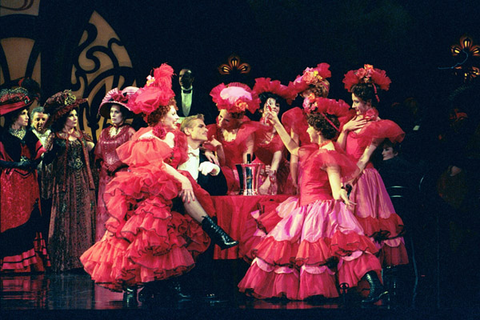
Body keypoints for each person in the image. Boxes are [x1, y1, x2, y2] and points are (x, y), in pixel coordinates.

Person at [80, 64, 238, 307]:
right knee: (141, 236)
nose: (177, 117)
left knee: (169, 234)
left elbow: (180, 162)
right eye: (173, 113)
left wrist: (195, 171)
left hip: (167, 191)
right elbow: (155, 164)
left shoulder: (175, 136)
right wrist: (182, 177)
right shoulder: (147, 135)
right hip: (148, 190)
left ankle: (210, 236)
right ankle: (133, 285)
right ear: (162, 115)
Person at [238, 97, 387, 303]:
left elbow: (335, 187)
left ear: (317, 130)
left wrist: (342, 194)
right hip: (305, 206)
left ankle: (373, 286)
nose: (306, 131)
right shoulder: (315, 150)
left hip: (319, 208)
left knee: (340, 250)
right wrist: (277, 122)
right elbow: (292, 149)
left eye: (309, 127)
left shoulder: (328, 153)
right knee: (300, 249)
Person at [338, 64, 409, 268]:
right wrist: (344, 130)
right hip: (348, 174)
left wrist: (350, 182)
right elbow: (340, 151)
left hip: (363, 178)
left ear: (368, 102)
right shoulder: (352, 120)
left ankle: (373, 274)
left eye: (356, 102)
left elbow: (364, 157)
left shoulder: (377, 124)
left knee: (369, 225)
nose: (353, 106)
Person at [42, 90, 96, 272]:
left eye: (75, 115)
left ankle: (84, 260)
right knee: (66, 218)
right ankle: (66, 261)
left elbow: (91, 155)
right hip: (65, 183)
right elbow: (47, 162)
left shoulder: (81, 136)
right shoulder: (55, 138)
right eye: (70, 115)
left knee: (83, 219)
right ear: (63, 118)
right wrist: (51, 152)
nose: (74, 118)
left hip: (82, 179)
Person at [0, 87, 50, 273]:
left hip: (28, 182)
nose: (27, 117)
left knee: (30, 218)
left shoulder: (29, 134)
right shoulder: (3, 136)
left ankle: (31, 262)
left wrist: (32, 162)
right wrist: (14, 165)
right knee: (12, 219)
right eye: (23, 114)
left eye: (26, 113)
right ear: (13, 117)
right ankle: (13, 263)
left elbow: (40, 153)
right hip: (10, 183)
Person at [282, 63, 332, 194]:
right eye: (304, 95)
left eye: (306, 94)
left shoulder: (329, 114)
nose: (305, 97)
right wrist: (293, 177)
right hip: (304, 168)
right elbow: (294, 150)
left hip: (325, 164)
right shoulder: (297, 116)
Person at [94, 87, 137, 241]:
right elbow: (98, 154)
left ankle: (118, 246)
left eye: (117, 112)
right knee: (104, 211)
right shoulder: (104, 132)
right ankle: (103, 247)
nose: (113, 115)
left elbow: (133, 155)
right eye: (112, 112)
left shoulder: (129, 131)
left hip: (122, 177)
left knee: (118, 211)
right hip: (105, 178)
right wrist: (103, 165)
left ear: (123, 114)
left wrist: (117, 164)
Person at [206, 82, 262, 194]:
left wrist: (247, 185)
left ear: (236, 120)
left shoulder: (245, 131)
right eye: (220, 117)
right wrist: (209, 150)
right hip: (223, 172)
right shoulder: (214, 130)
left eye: (226, 120)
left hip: (239, 175)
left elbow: (247, 161)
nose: (221, 122)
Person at [252, 77, 296, 195]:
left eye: (277, 105)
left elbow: (277, 157)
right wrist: (260, 169)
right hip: (258, 170)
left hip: (278, 171)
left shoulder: (283, 129)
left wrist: (269, 180)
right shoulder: (253, 128)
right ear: (261, 109)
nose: (274, 107)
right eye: (270, 105)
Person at [179, 114, 228, 196]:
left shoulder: (207, 157)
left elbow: (222, 190)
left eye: (205, 127)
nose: (206, 130)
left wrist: (216, 171)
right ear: (187, 131)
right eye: (200, 126)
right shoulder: (174, 153)